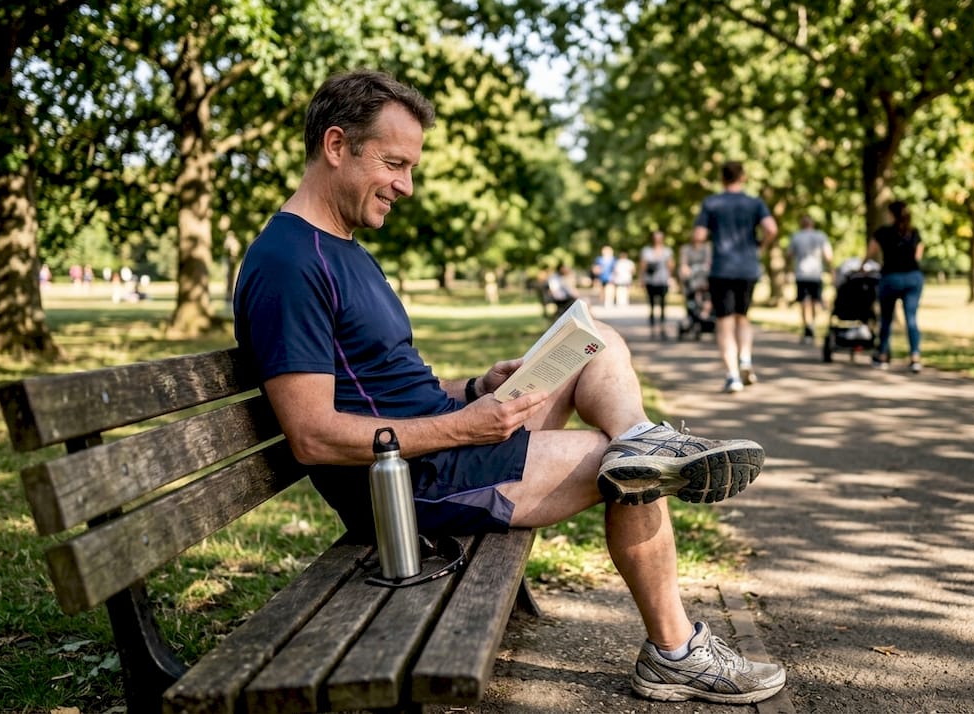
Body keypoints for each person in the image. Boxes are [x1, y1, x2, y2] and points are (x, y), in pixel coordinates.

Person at [232, 69, 786, 705]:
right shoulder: (289, 264)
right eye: (393, 163)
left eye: (410, 167)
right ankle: (675, 651)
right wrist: (461, 426)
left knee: (595, 341)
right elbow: (312, 434)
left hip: (444, 444)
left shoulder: (343, 246)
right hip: (408, 487)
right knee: (628, 467)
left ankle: (642, 438)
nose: (405, 186)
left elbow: (380, 379)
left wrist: (474, 387)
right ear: (336, 146)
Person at [691, 160, 779, 392]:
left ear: (722, 178)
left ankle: (732, 376)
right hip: (748, 268)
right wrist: (761, 246)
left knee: (724, 322)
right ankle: (746, 360)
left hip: (722, 268)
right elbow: (771, 228)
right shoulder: (755, 203)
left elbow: (698, 236)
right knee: (743, 317)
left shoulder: (712, 203)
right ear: (743, 177)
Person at [866, 200, 924, 374]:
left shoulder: (883, 232)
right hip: (913, 277)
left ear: (891, 214)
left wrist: (861, 267)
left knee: (886, 318)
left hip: (891, 278)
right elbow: (918, 256)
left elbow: (871, 253)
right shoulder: (914, 233)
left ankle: (883, 354)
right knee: (911, 318)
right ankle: (915, 357)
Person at [786, 214, 833, 344]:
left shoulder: (796, 236)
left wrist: (788, 269)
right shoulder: (821, 236)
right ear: (812, 224)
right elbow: (828, 256)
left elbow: (789, 255)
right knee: (815, 301)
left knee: (803, 302)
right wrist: (831, 270)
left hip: (801, 274)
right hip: (816, 274)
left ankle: (807, 327)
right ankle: (811, 324)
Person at [638, 230, 675, 339]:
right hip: (650, 281)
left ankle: (663, 328)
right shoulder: (647, 251)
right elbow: (643, 265)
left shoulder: (667, 251)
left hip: (662, 281)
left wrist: (670, 278)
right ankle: (653, 329)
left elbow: (670, 266)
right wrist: (642, 279)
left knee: (663, 305)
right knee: (652, 305)